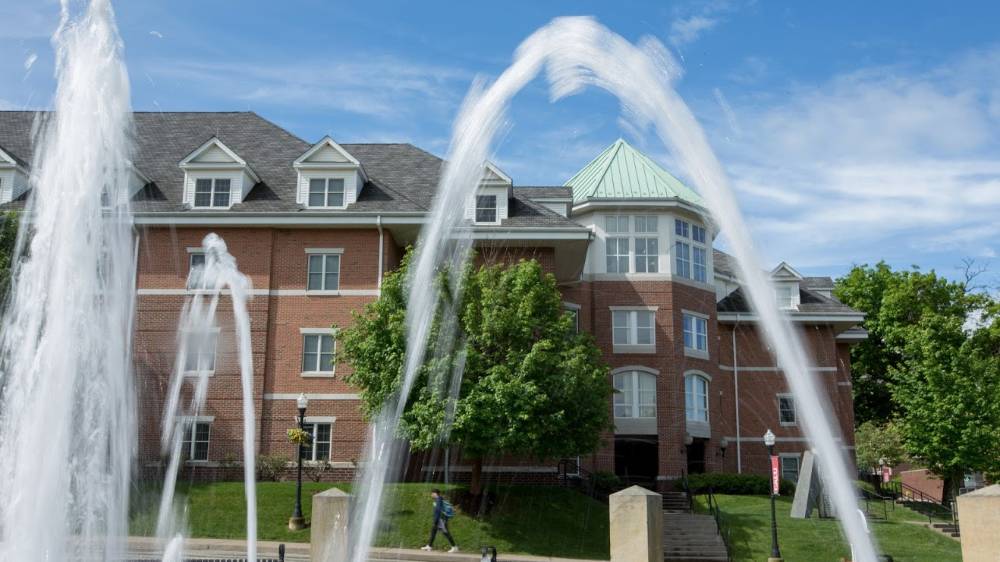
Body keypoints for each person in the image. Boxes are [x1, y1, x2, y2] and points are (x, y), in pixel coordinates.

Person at [420, 489, 458, 553]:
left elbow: (438, 510)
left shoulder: (439, 499)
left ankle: (454, 547)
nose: (431, 495)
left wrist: (436, 520)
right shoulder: (438, 500)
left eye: (432, 493)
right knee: (433, 532)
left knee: (446, 533)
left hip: (440, 520)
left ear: (435, 493)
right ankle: (429, 546)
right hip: (439, 519)